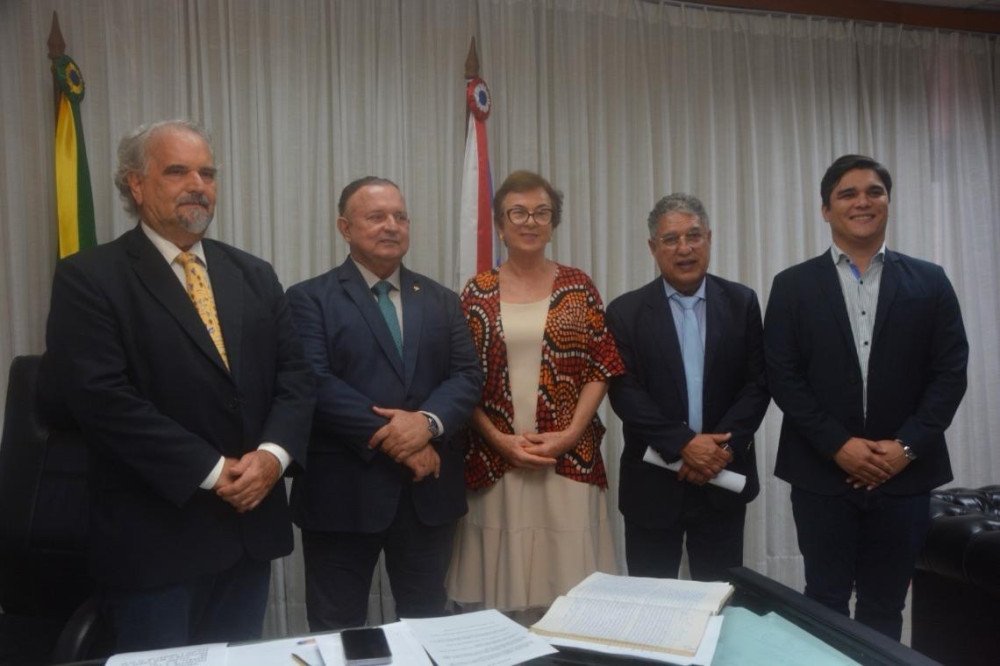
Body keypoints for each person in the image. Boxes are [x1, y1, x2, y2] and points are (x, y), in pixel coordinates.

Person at [41, 120, 315, 651]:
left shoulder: (253, 273)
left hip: (249, 532)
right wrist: (214, 471)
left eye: (207, 172)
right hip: (155, 541)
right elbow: (102, 400)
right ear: (135, 185)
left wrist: (272, 457)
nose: (198, 184)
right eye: (177, 170)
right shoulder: (90, 277)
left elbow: (296, 378)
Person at [764, 154, 969, 640]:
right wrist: (839, 445)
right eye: (847, 193)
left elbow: (950, 373)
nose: (862, 201)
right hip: (821, 474)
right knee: (824, 603)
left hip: (905, 476)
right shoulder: (792, 286)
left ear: (888, 203)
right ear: (825, 210)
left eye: (873, 191)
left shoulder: (930, 280)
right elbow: (783, 376)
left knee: (885, 606)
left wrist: (905, 447)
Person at [287, 177, 482, 630]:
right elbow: (314, 380)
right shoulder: (308, 299)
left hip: (427, 497)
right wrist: (402, 439)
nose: (391, 226)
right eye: (376, 216)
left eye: (400, 216)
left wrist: (428, 424)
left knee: (428, 625)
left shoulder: (443, 301)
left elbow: (468, 376)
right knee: (338, 630)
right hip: (342, 493)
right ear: (345, 227)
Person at [446, 170, 625, 622]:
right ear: (501, 224)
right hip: (496, 460)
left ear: (553, 222)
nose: (530, 221)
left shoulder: (579, 286)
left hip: (568, 460)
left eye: (541, 212)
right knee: (500, 602)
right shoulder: (476, 292)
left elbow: (601, 367)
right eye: (518, 212)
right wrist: (497, 439)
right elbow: (460, 379)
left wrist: (569, 434)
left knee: (571, 595)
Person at [605, 193, 769, 583]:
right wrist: (685, 444)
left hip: (722, 481)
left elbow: (758, 384)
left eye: (693, 236)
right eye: (670, 239)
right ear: (652, 248)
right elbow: (625, 392)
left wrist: (719, 450)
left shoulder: (742, 302)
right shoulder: (625, 312)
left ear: (709, 239)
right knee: (652, 609)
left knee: (722, 604)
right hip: (652, 486)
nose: (684, 248)